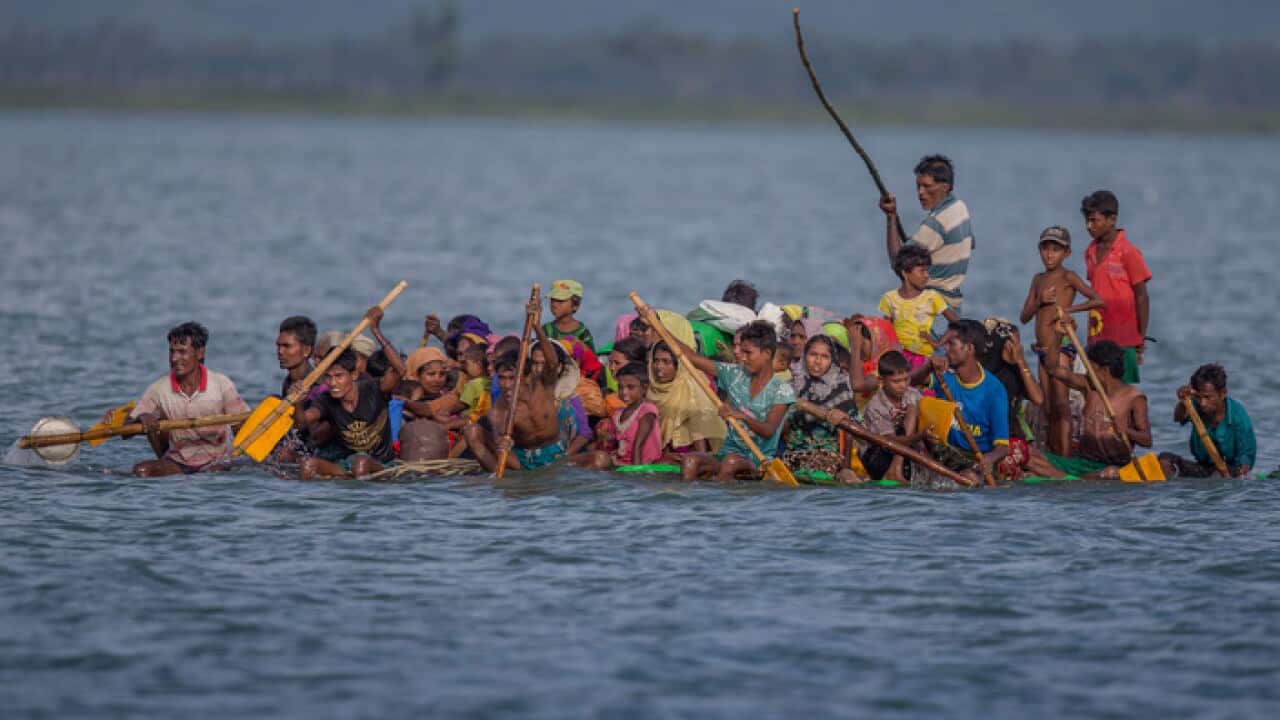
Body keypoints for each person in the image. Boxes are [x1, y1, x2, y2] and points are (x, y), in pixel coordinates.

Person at [662, 319, 795, 481]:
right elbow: (690, 357)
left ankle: (719, 500)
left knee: (730, 462)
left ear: (767, 354)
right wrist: (659, 325)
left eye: (748, 353)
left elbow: (768, 431)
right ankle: (692, 504)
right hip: (727, 454)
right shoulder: (734, 374)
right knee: (690, 460)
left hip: (758, 460)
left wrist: (742, 416)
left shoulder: (782, 389)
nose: (742, 358)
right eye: (741, 352)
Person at [120, 322, 251, 477]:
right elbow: (125, 432)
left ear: (200, 353)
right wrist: (142, 418)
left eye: (182, 352)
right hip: (177, 463)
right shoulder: (159, 389)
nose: (175, 358)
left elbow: (243, 429)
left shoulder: (221, 384)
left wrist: (240, 460)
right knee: (141, 471)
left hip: (218, 463)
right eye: (172, 352)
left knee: (215, 471)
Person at [1018, 226, 1104, 456]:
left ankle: (1064, 456)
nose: (1049, 255)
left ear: (1066, 253)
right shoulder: (1038, 280)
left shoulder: (1068, 277)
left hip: (1061, 347)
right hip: (1042, 350)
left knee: (1061, 405)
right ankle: (1054, 454)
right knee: (1047, 407)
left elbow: (1097, 300)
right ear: (1039, 251)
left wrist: (1069, 310)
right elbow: (1024, 317)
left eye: (1055, 250)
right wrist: (1040, 301)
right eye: (1045, 249)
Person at [294, 308, 408, 480]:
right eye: (328, 377)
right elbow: (302, 422)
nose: (332, 384)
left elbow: (400, 370)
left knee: (361, 462)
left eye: (339, 377)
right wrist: (297, 402)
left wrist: (376, 330)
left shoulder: (373, 388)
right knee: (307, 464)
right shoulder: (326, 399)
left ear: (353, 375)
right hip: (348, 464)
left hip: (382, 465)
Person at [463, 297, 567, 473]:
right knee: (471, 431)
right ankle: (497, 477)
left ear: (526, 377)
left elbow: (552, 363)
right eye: (501, 378)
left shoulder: (543, 385)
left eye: (512, 378)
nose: (506, 384)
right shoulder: (499, 409)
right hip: (521, 461)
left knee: (600, 460)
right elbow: (498, 438)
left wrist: (536, 326)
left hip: (555, 455)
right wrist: (502, 444)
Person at [1026, 336, 1152, 479]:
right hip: (1082, 463)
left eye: (1091, 369)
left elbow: (1147, 440)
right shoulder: (1088, 386)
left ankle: (1066, 478)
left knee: (1111, 473)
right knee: (1029, 456)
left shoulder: (1134, 398)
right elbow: (1053, 369)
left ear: (1105, 371)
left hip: (1112, 467)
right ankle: (1068, 476)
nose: (1087, 373)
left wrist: (1126, 430)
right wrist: (1058, 334)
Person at [878, 154, 975, 310]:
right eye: (918, 186)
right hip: (953, 306)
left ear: (945, 186)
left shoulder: (935, 224)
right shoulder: (960, 208)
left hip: (931, 309)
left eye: (927, 186)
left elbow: (898, 263)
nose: (920, 192)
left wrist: (891, 218)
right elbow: (969, 243)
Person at [1082, 190, 1151, 384]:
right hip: (1097, 336)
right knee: (1097, 390)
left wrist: (1140, 337)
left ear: (1112, 219)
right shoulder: (1090, 251)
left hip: (1124, 338)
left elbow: (1142, 296)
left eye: (1094, 221)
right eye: (1087, 221)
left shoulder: (1128, 252)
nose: (1089, 226)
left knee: (1124, 390)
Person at [925, 319, 1010, 478]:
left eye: (951, 344)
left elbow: (1002, 447)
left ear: (969, 348)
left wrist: (989, 459)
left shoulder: (994, 390)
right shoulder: (943, 374)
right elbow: (911, 381)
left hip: (974, 460)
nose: (946, 348)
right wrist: (928, 365)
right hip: (944, 451)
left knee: (969, 477)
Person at [1158, 364, 1255, 478]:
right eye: (1199, 397)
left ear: (1223, 393)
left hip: (1230, 471)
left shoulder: (1238, 415)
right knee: (1164, 460)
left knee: (1217, 476)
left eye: (1207, 397)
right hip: (1203, 467)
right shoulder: (1194, 405)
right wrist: (1184, 401)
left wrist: (1240, 473)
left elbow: (1246, 457)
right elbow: (1179, 418)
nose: (1202, 403)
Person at [782, 334, 857, 479]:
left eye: (824, 357)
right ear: (805, 356)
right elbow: (781, 428)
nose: (817, 361)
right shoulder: (791, 387)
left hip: (829, 460)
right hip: (794, 458)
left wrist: (845, 467)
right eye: (813, 355)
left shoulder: (842, 391)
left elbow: (851, 433)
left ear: (832, 361)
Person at [647, 336, 727, 462]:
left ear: (678, 365)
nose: (659, 367)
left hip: (689, 454)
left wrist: (701, 460)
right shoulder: (650, 391)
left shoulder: (690, 386)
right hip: (662, 456)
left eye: (666, 362)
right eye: (656, 361)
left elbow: (700, 427)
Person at [880, 244, 960, 366]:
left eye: (927, 271)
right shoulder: (889, 298)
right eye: (922, 271)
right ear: (905, 273)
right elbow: (886, 331)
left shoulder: (931, 297)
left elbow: (957, 324)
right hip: (899, 358)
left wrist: (938, 343)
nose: (927, 275)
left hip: (924, 359)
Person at [570, 363, 662, 470]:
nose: (624, 392)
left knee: (599, 458)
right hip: (620, 463)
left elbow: (639, 445)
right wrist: (604, 437)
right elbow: (611, 443)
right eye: (620, 387)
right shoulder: (617, 414)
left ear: (644, 388)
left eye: (630, 387)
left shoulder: (647, 410)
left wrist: (637, 474)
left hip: (639, 465)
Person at [859, 350, 924, 484]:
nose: (903, 385)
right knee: (912, 410)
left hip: (907, 452)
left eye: (906, 379)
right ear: (882, 381)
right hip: (878, 456)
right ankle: (895, 469)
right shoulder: (875, 406)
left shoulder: (913, 394)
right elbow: (890, 442)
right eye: (896, 381)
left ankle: (901, 470)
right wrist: (919, 436)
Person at [542, 279, 595, 352]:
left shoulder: (582, 332)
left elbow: (591, 359)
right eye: (552, 300)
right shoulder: (547, 329)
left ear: (575, 305)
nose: (554, 304)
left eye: (560, 301)